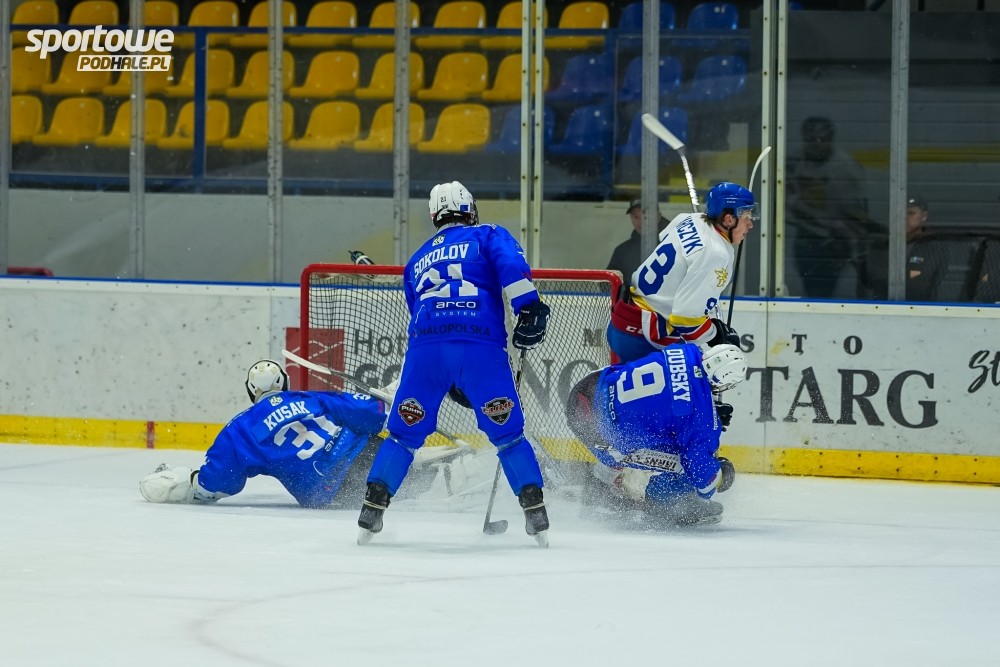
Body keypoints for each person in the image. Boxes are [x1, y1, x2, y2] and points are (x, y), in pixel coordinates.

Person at [357, 181, 552, 546]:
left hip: (426, 351)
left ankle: (372, 508)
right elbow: (512, 265)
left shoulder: (417, 259)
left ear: (434, 215)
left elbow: (417, 309)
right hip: (480, 347)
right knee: (508, 435)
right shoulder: (488, 234)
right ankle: (535, 511)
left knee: (403, 435)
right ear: (470, 208)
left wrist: (445, 375)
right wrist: (528, 307)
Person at [139, 360, 485, 508]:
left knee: (393, 485)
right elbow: (374, 414)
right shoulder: (307, 398)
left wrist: (186, 482)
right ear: (284, 383)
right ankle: (459, 476)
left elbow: (215, 483)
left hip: (324, 493)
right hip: (365, 457)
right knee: (407, 469)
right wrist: (395, 392)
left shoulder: (238, 429)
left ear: (250, 392)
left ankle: (434, 475)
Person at [564, 343, 748, 526]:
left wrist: (707, 411)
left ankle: (604, 478)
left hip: (587, 390)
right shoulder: (701, 419)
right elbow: (703, 478)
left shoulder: (686, 350)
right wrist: (721, 475)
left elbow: (677, 391)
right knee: (684, 461)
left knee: (654, 428)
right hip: (595, 432)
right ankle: (661, 502)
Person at [606, 181, 756, 364]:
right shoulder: (716, 254)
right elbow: (684, 319)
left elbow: (665, 238)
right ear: (729, 219)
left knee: (623, 381)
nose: (750, 225)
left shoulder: (690, 218)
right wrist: (715, 334)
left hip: (622, 322)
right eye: (747, 217)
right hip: (646, 338)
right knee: (695, 379)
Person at [786, 116, 881, 299]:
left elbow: (858, 211)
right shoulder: (794, 162)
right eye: (811, 139)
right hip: (807, 237)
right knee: (809, 288)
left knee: (828, 290)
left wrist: (848, 239)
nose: (817, 144)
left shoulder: (846, 168)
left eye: (822, 139)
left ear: (830, 139)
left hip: (837, 240)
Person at [606, 199, 669, 281]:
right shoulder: (622, 251)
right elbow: (607, 284)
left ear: (658, 216)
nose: (642, 222)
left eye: (646, 216)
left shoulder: (674, 244)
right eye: (636, 217)